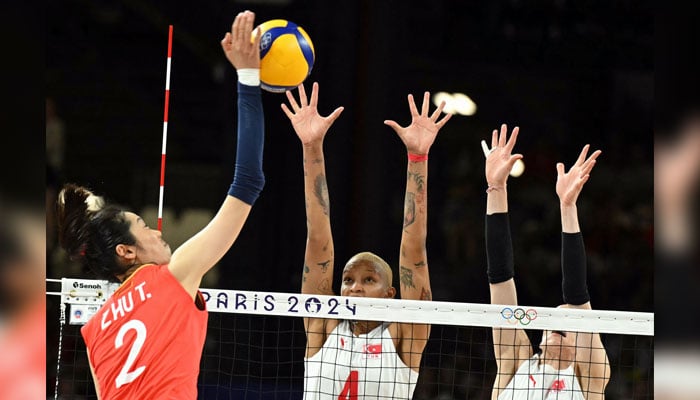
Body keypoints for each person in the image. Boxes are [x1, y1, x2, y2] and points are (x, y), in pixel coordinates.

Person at [55, 10, 265, 399]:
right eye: (142, 225)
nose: (156, 229)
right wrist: (248, 79)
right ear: (126, 250)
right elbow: (248, 183)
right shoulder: (173, 276)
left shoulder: (94, 327)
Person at [281, 83, 451, 399]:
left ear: (390, 294)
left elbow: (413, 251)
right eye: (347, 280)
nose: (354, 287)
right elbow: (318, 239)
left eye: (367, 279)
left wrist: (418, 157)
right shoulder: (324, 325)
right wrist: (312, 147)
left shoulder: (403, 335)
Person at [482, 124, 610, 400]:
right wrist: (496, 188)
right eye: (555, 319)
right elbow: (500, 279)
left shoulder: (589, 377)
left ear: (583, 342)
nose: (560, 322)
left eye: (567, 321)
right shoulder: (514, 361)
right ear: (539, 337)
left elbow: (577, 294)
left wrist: (568, 207)